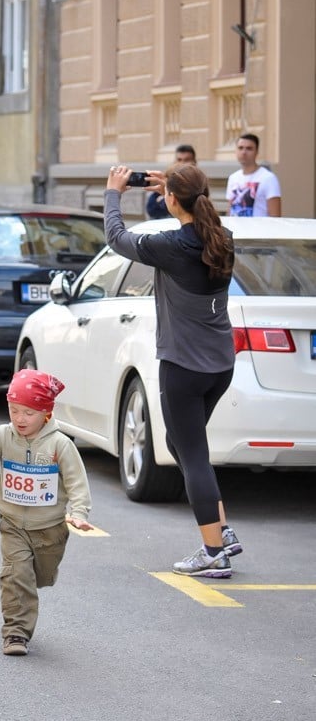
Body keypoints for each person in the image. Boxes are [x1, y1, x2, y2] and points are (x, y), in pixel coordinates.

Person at [105, 163, 242, 578]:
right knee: (182, 444)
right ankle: (222, 530)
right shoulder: (223, 238)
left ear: (171, 200)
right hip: (220, 365)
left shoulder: (172, 246)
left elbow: (117, 238)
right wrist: (176, 190)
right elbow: (195, 214)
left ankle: (213, 552)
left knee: (193, 454)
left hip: (184, 366)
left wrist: (114, 192)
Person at [0, 369, 93, 655]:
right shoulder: (2, 436)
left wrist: (79, 513)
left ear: (46, 413)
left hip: (50, 529)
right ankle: (16, 633)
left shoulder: (60, 444)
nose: (20, 419)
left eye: (29, 412)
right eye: (14, 410)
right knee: (15, 575)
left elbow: (77, 482)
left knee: (39, 576)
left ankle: (33, 584)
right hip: (12, 524)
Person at [226, 133, 282, 217]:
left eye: (249, 148)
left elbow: (276, 215)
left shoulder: (268, 178)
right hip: (236, 229)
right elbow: (230, 211)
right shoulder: (233, 178)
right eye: (240, 148)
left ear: (257, 152)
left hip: (259, 229)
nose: (244, 152)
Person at [146, 144, 196, 219]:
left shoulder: (199, 182)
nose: (182, 163)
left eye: (186, 160)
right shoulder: (169, 177)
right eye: (179, 160)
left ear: (194, 161)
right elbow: (152, 209)